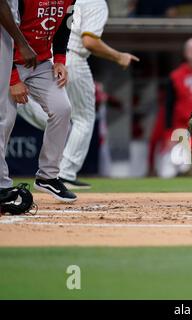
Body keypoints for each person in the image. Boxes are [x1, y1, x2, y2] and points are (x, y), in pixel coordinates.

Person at [17, 0, 139, 190]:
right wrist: (118, 56)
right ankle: (65, 172)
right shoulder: (98, 3)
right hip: (71, 57)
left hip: (49, 55)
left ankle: (57, 170)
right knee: (83, 118)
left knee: (62, 115)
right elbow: (89, 41)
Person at [0, 0, 77, 203]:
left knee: (62, 109)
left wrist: (60, 58)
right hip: (9, 62)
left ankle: (48, 176)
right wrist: (13, 79)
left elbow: (65, 24)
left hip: (40, 62)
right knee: (4, 121)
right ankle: (1, 185)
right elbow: (5, 33)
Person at [153, 37, 192, 178]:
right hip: (181, 128)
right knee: (171, 167)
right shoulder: (175, 76)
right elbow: (168, 107)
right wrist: (168, 133)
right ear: (185, 53)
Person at [0, 0, 36, 203]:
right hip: (3, 33)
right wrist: (22, 43)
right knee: (2, 116)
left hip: (6, 33)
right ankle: (1, 185)